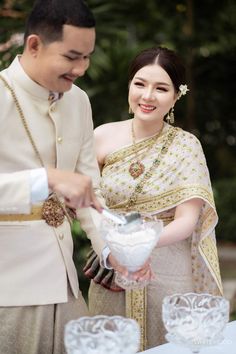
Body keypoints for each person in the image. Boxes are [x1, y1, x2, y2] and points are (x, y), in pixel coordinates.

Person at [87, 46, 223, 350]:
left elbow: (187, 220)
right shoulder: (101, 137)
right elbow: (87, 205)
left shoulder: (186, 146)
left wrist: (138, 243)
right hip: (112, 267)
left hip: (167, 269)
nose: (147, 96)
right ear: (129, 87)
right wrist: (117, 249)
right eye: (140, 84)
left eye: (161, 88)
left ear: (176, 95)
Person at [0, 0, 105, 353]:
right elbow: (60, 180)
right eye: (72, 56)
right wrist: (46, 178)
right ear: (34, 45)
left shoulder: (79, 102)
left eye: (87, 57)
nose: (81, 69)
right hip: (9, 289)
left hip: (67, 284)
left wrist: (112, 251)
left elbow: (90, 186)